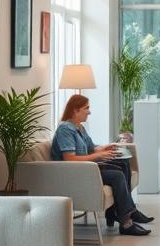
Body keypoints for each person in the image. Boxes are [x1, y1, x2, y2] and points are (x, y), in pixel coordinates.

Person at [51, 94, 154, 236]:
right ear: (75, 110)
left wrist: (105, 148)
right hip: (76, 174)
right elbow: (70, 158)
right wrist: (98, 156)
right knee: (117, 175)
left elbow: (91, 148)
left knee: (123, 163)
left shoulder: (79, 127)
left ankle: (120, 213)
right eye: (86, 108)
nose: (89, 112)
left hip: (87, 169)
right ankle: (126, 222)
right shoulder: (65, 130)